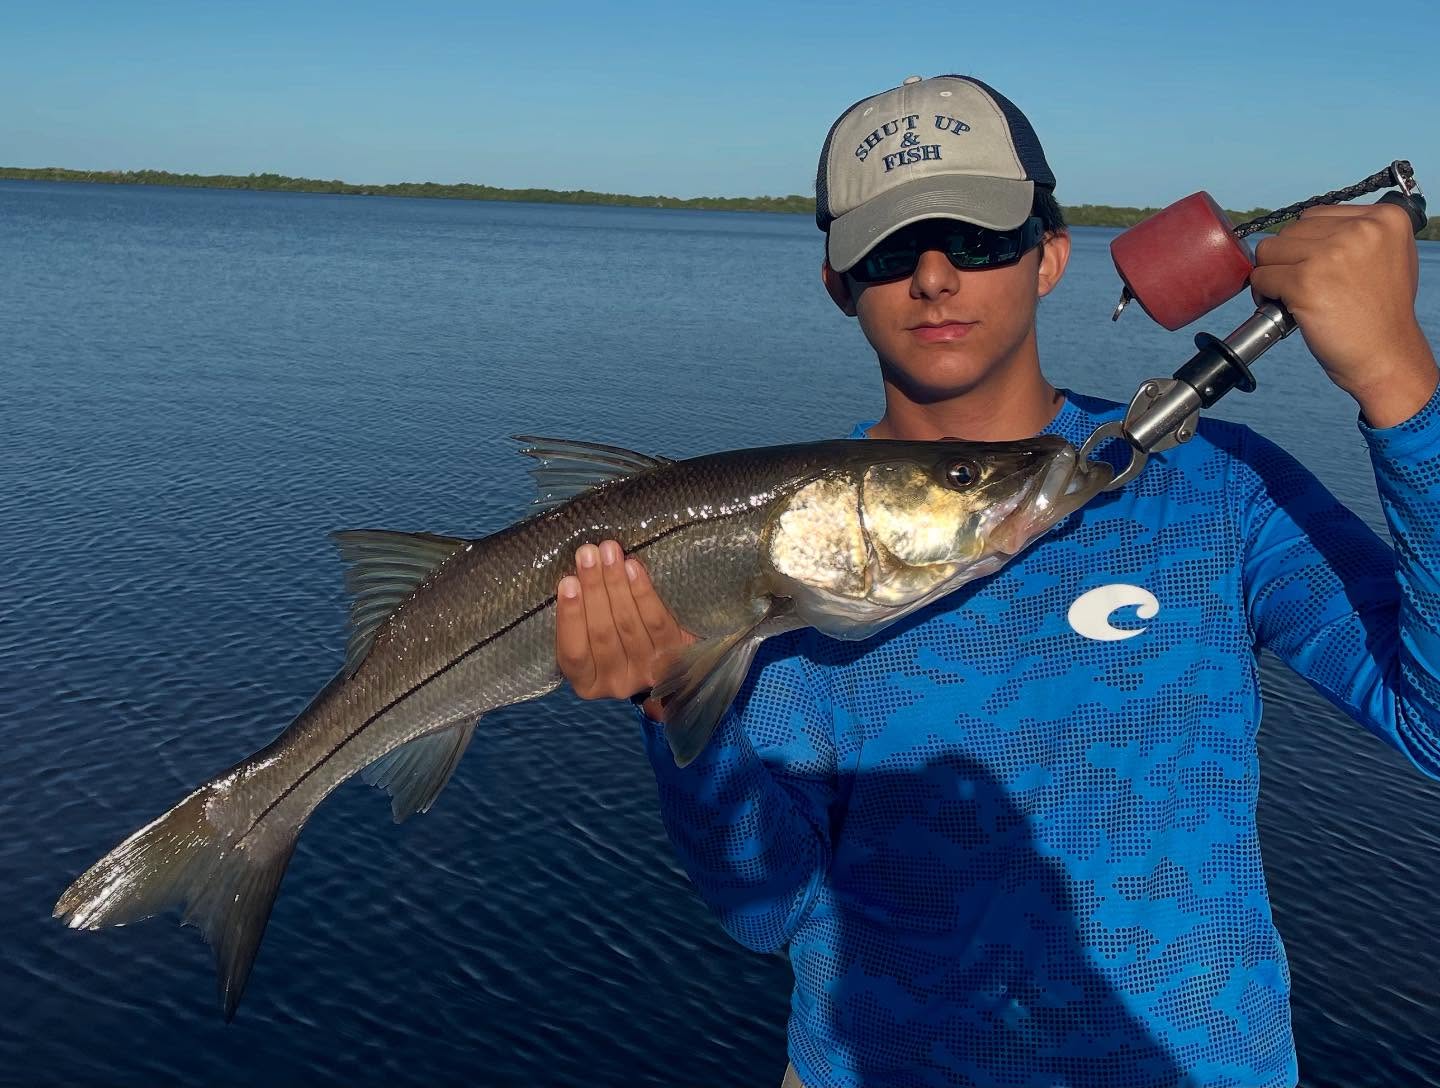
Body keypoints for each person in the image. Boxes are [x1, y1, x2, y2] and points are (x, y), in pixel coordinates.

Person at [553, 73, 1440, 1087]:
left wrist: (1400, 385)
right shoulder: (790, 540)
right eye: (888, 252)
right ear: (840, 284)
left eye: (977, 239)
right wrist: (669, 701)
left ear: (1049, 256)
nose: (934, 277)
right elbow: (773, 907)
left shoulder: (1215, 485)